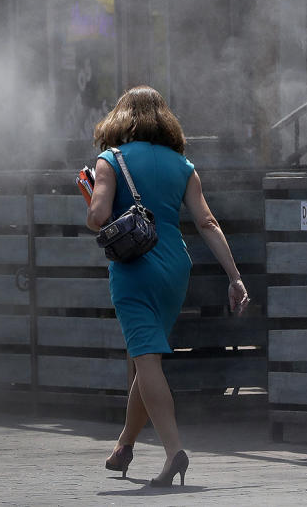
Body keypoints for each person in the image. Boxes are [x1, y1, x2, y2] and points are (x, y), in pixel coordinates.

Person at [85, 85, 250, 487]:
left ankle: (174, 451)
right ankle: (124, 444)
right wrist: (235, 276)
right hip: (175, 267)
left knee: (147, 360)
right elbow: (207, 223)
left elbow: (98, 215)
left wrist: (90, 195)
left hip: (134, 268)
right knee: (149, 359)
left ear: (122, 118)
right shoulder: (183, 165)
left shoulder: (110, 160)